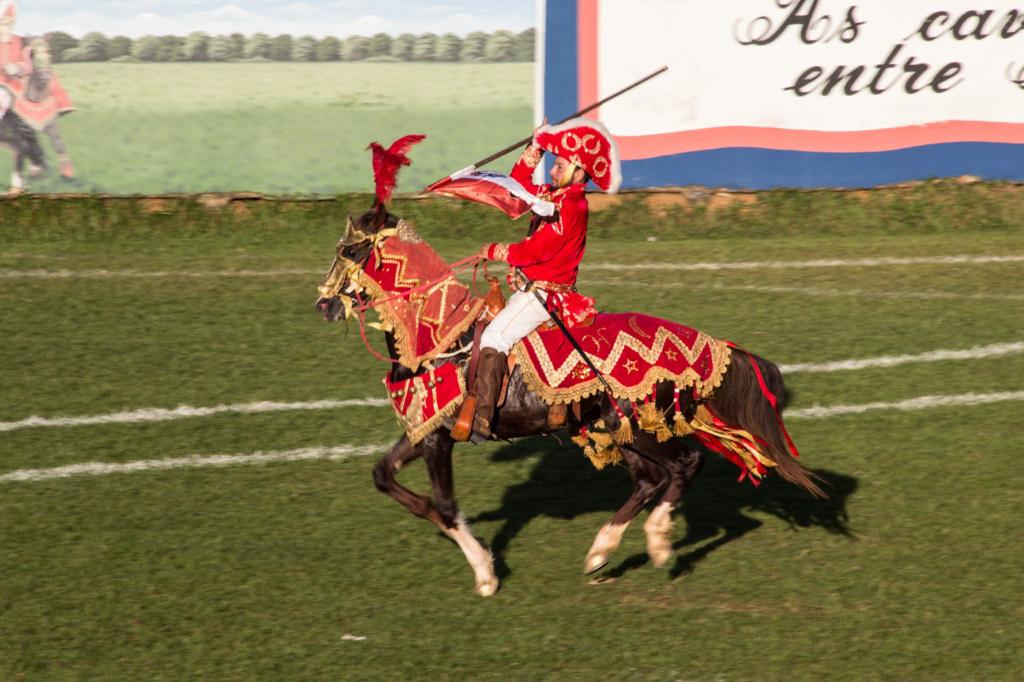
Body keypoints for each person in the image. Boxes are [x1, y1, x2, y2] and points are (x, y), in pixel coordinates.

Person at [468, 117, 621, 439]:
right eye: (554, 164)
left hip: (544, 295)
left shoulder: (573, 205)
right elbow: (517, 187)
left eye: (560, 164)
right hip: (530, 290)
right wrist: (535, 148)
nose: (552, 170)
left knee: (494, 338)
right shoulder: (557, 196)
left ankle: (480, 418)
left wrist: (496, 250)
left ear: (579, 171)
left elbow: (537, 251)